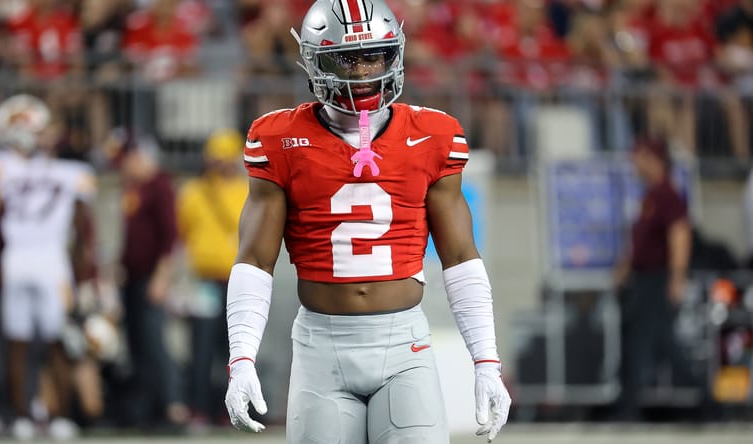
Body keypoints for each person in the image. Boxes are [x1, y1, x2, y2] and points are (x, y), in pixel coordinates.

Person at [223, 1, 511, 443]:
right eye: (347, 57)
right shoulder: (279, 138)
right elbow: (255, 261)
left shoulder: (433, 134)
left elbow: (459, 257)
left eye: (373, 55)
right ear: (314, 61)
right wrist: (241, 358)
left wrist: (487, 360)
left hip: (404, 346)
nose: (362, 71)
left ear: (393, 54)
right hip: (322, 346)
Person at [0, 94, 96, 440]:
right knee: (14, 342)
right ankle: (19, 412)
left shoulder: (70, 170)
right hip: (14, 261)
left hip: (51, 263)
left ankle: (57, 414)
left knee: (59, 341)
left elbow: (84, 230)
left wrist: (88, 275)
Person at [102, 128, 188, 430]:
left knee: (154, 344)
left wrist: (162, 278)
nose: (122, 167)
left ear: (137, 155)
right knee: (137, 343)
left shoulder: (159, 185)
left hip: (152, 277)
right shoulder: (133, 188)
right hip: (133, 278)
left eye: (125, 160)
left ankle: (172, 408)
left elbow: (170, 238)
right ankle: (145, 409)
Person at [613, 137, 694, 420]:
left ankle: (708, 402)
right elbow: (640, 241)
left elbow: (679, 237)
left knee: (663, 347)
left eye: (640, 157)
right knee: (644, 344)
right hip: (644, 279)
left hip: (658, 279)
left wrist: (676, 278)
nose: (635, 164)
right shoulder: (650, 195)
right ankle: (628, 407)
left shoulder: (668, 195)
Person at [176, 129, 247, 428]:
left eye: (224, 158)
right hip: (203, 280)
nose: (219, 164)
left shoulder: (247, 189)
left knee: (233, 350)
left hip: (236, 281)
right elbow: (181, 234)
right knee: (201, 347)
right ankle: (199, 409)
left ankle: (230, 409)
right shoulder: (194, 191)